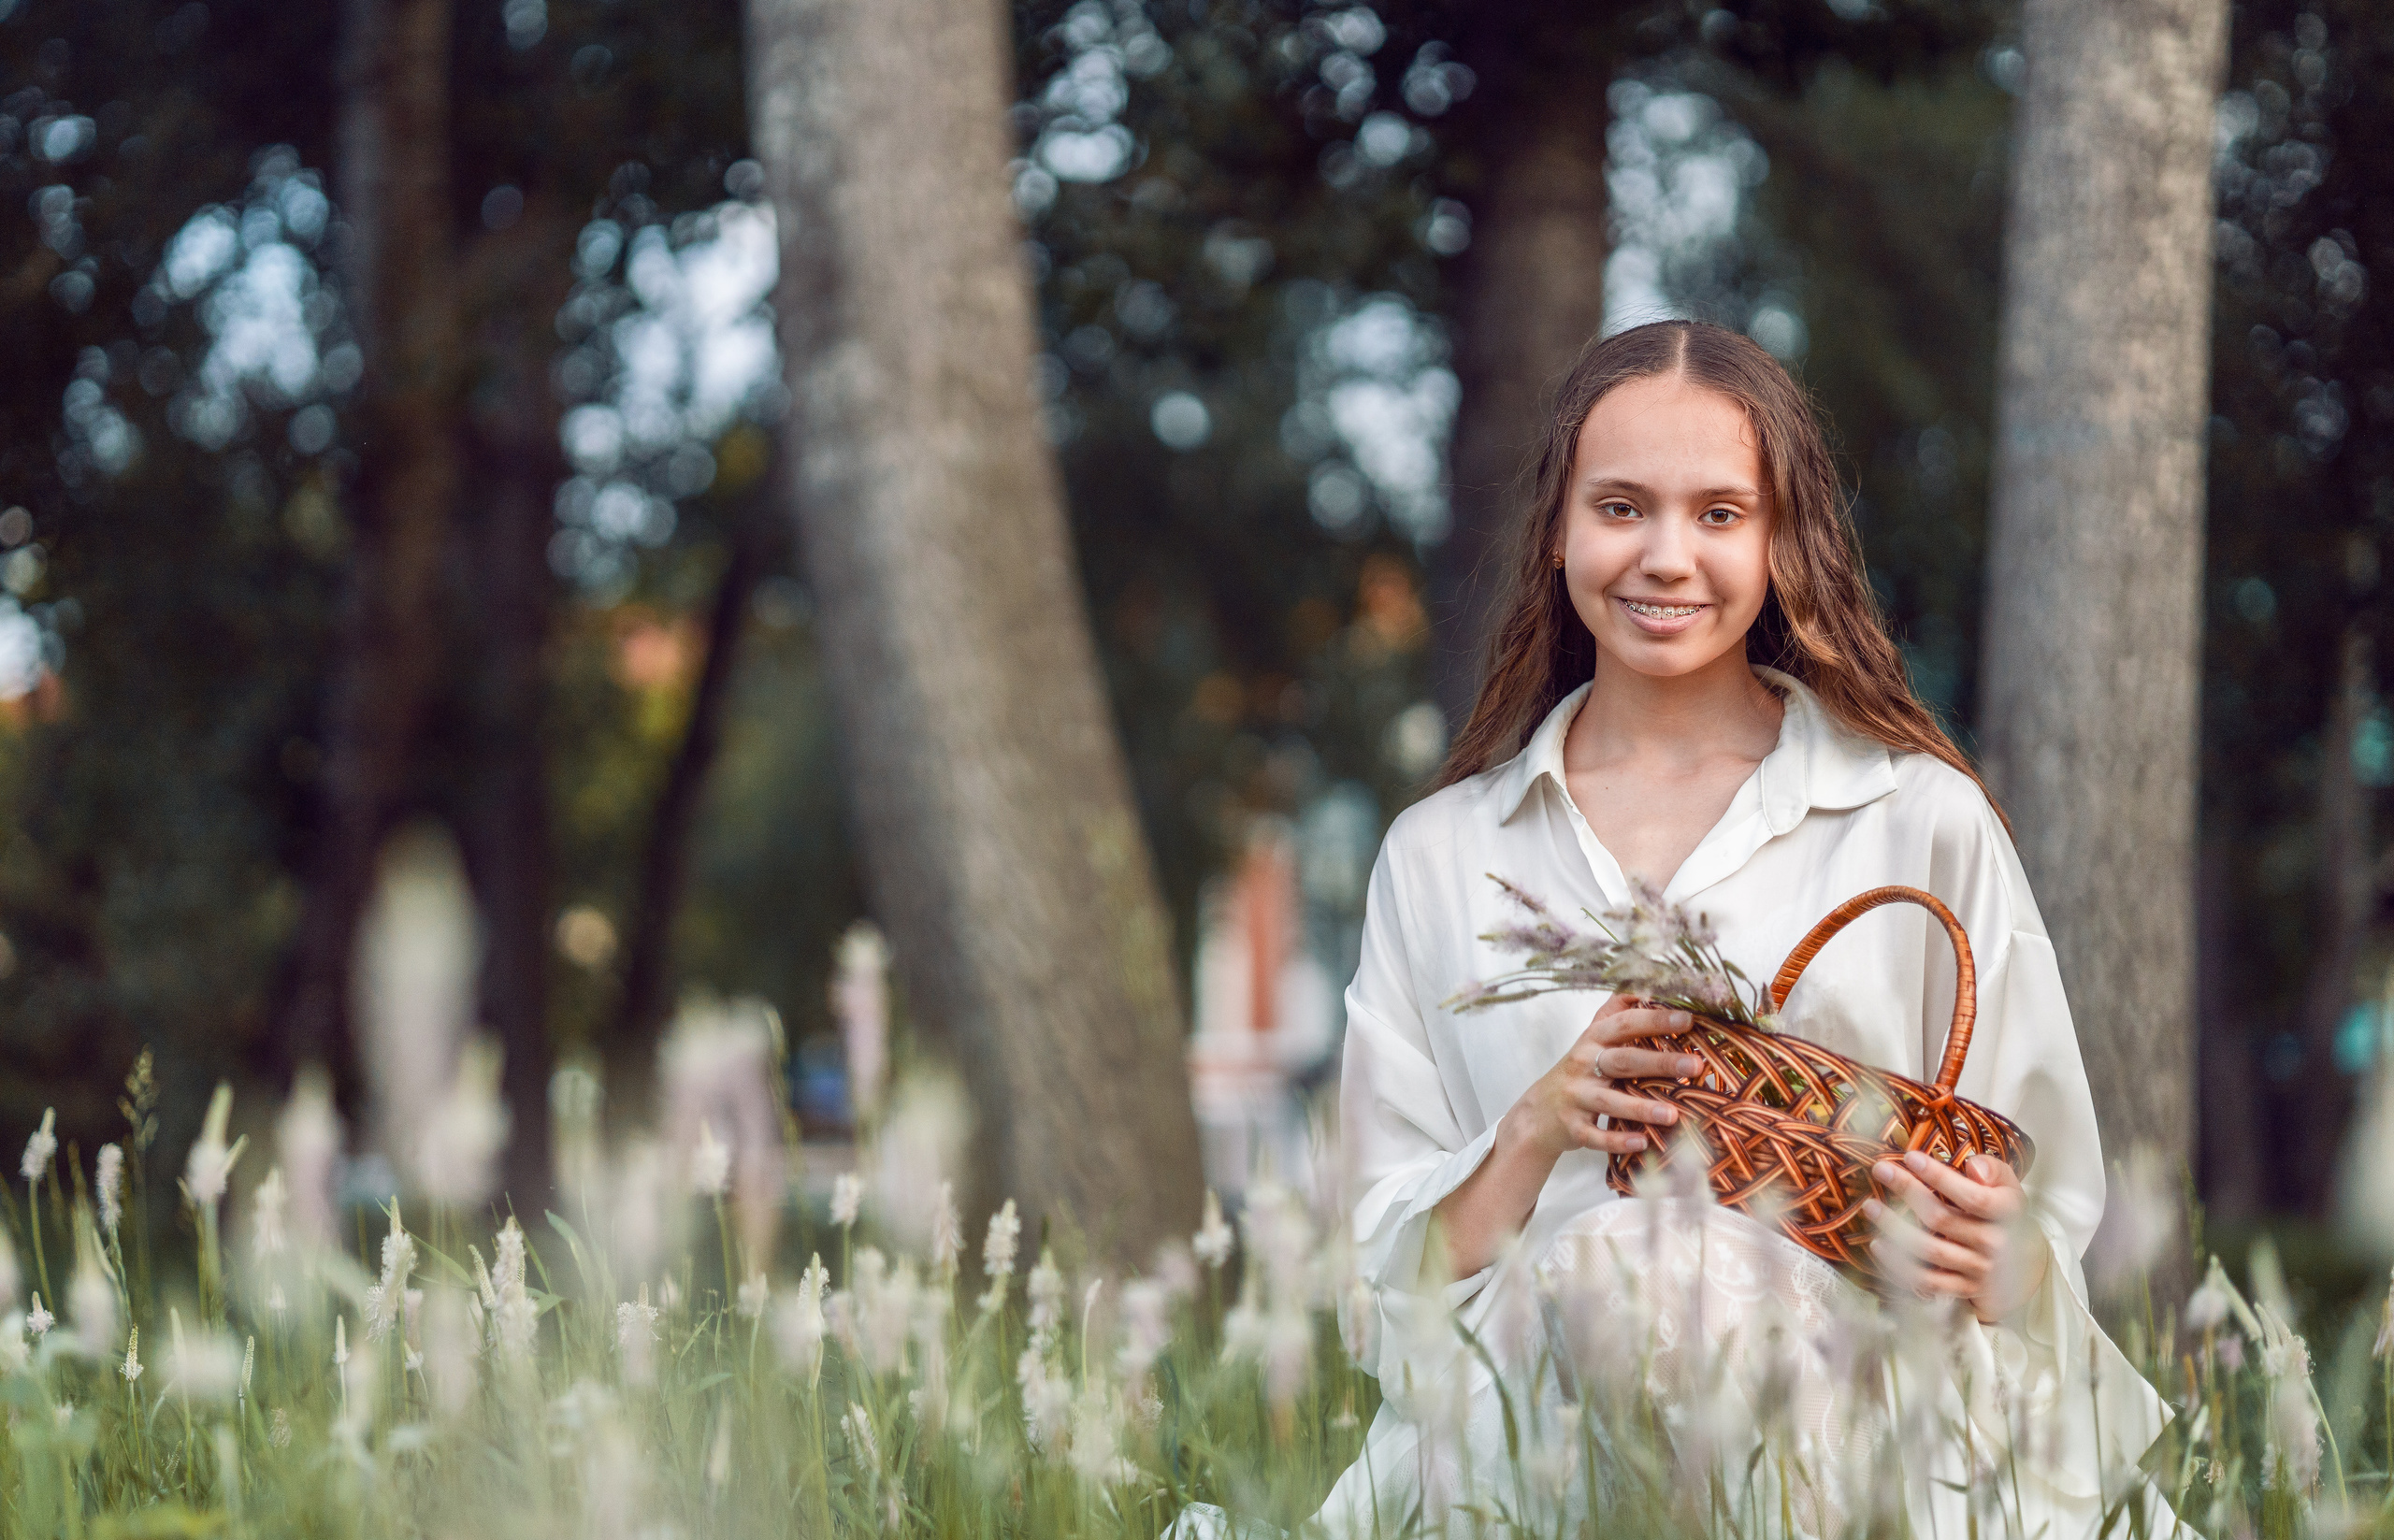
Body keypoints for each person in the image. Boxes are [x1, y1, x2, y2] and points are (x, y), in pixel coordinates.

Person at [1174, 320, 2186, 1539]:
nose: (1666, 557)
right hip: (1531, 1460)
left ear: (1781, 540)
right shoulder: (1442, 858)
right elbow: (1389, 1279)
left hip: (1864, 1448)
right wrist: (1538, 1127)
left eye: (1719, 513)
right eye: (1621, 508)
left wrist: (2000, 1257)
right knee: (1625, 1267)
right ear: (1559, 529)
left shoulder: (1917, 818)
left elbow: (2047, 1213)